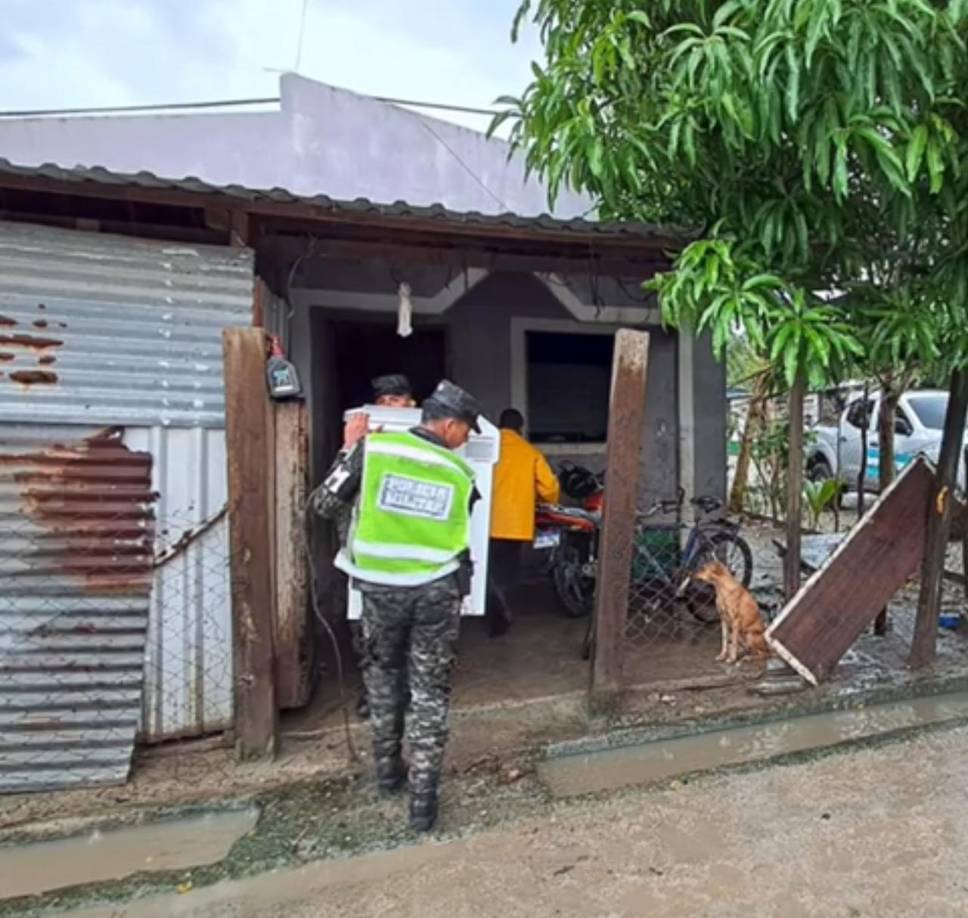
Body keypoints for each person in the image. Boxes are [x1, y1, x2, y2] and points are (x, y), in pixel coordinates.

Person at [315, 379, 482, 832]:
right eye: (466, 430)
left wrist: (348, 449)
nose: (466, 439)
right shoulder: (460, 473)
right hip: (436, 592)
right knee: (429, 693)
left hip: (379, 591)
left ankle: (388, 774)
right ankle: (423, 803)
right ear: (449, 425)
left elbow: (324, 504)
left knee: (382, 678)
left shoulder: (373, 451)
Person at [346, 374, 417, 719]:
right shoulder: (364, 441)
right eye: (383, 402)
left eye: (396, 400)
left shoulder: (424, 442)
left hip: (412, 551)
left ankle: (408, 692)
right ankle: (374, 694)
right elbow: (333, 497)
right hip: (370, 553)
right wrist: (353, 448)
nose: (390, 407)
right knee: (367, 631)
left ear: (412, 405)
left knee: (411, 629)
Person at [487, 408, 560, 636]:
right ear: (521, 428)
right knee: (506, 570)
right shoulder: (530, 452)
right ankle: (501, 603)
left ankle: (491, 602)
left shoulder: (487, 448)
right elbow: (549, 488)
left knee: (486, 567)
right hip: (515, 525)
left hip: (485, 523)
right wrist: (549, 501)